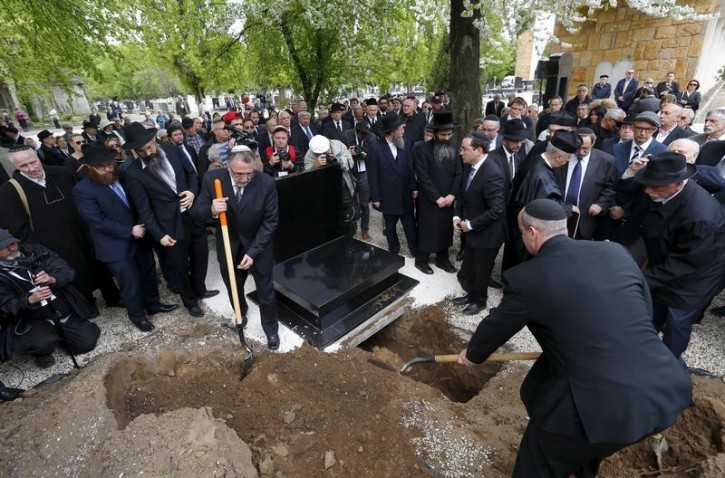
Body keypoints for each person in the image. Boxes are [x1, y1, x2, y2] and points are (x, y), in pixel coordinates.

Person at [458, 199, 692, 477]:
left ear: (532, 233)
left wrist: (473, 354)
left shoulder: (528, 278)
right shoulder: (614, 253)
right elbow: (644, 309)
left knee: (540, 463)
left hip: (598, 408)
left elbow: (498, 324)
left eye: (522, 233)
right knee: (586, 448)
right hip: (664, 391)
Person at [72, 145, 179, 332]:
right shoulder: (82, 190)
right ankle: (137, 316)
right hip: (116, 246)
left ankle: (154, 305)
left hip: (141, 237)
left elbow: (139, 202)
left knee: (148, 274)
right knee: (130, 283)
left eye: (110, 164)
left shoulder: (122, 175)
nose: (108, 169)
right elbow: (97, 221)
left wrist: (141, 224)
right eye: (102, 167)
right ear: (91, 168)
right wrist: (130, 230)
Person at [0, 146, 121, 311]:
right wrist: (38, 252)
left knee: (99, 265)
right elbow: (19, 228)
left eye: (33, 162)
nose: (31, 168)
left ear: (38, 158)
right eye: (24, 166)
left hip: (82, 232)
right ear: (15, 167)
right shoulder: (9, 191)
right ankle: (85, 305)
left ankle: (113, 296)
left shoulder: (62, 173)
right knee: (70, 274)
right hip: (52, 243)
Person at [634, 152, 725, 360]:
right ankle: (640, 352)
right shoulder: (663, 192)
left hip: (693, 278)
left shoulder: (701, 217)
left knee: (676, 322)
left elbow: (685, 263)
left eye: (655, 186)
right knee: (650, 313)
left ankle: (669, 366)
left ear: (678, 183)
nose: (647, 190)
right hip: (666, 265)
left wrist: (638, 279)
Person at [190, 147, 281, 350]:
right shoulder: (213, 180)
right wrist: (212, 210)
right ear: (228, 167)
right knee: (234, 287)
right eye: (239, 173)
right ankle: (241, 315)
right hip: (229, 244)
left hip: (258, 245)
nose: (244, 178)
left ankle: (271, 329)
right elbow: (196, 212)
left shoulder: (266, 183)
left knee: (266, 291)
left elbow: (271, 221)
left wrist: (254, 252)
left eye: (249, 173)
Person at [123, 122, 216, 318]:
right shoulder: (133, 173)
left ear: (153, 139)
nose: (147, 153)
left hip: (192, 214)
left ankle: (200, 289)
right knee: (180, 266)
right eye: (141, 151)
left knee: (201, 255)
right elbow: (144, 209)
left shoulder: (173, 151)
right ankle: (190, 301)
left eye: (149, 147)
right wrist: (159, 235)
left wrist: (192, 191)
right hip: (168, 225)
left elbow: (192, 174)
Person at [0, 229, 100, 368]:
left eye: (12, 243)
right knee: (44, 341)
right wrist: (28, 300)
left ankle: (64, 332)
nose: (11, 248)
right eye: (4, 247)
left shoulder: (35, 251)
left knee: (86, 343)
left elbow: (66, 270)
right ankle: (42, 352)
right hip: (32, 319)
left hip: (58, 310)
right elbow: (4, 307)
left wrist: (52, 279)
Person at [452, 133, 506, 315]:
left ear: (479, 150)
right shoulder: (471, 165)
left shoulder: (492, 173)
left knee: (481, 270)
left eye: (464, 149)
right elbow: (463, 195)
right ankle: (471, 295)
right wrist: (456, 217)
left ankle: (479, 301)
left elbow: (497, 210)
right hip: (472, 230)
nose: (460, 153)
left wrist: (472, 225)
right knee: (471, 267)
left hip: (488, 234)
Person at [412, 112, 462, 275]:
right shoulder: (421, 148)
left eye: (449, 134)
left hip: (448, 199)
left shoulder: (454, 147)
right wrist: (437, 198)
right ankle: (421, 260)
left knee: (445, 230)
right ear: (434, 133)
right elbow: (423, 177)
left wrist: (452, 195)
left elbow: (459, 173)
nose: (447, 137)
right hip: (429, 199)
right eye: (443, 134)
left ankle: (442, 259)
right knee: (428, 229)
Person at [367, 115, 419, 259]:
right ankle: (393, 250)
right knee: (390, 227)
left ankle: (415, 251)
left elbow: (410, 168)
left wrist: (414, 187)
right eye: (401, 128)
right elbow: (373, 175)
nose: (404, 130)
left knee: (410, 225)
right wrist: (376, 197)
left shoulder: (405, 143)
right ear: (392, 131)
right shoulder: (376, 148)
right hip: (387, 195)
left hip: (405, 193)